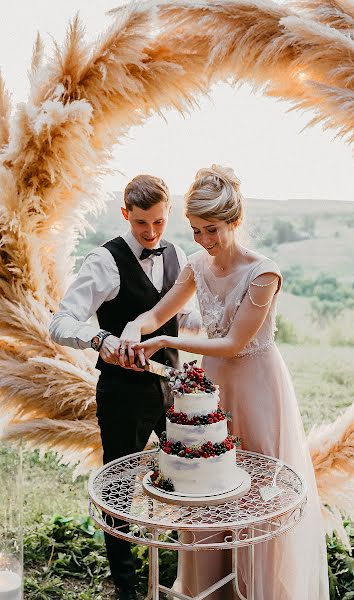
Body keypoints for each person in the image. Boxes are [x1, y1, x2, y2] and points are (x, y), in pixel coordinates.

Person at [118, 165, 330, 600]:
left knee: (258, 496)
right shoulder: (197, 264)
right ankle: (212, 589)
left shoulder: (263, 273)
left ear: (235, 221)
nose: (203, 242)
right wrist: (132, 331)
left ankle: (261, 588)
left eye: (211, 230)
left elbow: (234, 343)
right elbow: (156, 313)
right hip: (212, 387)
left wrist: (163, 340)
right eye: (195, 231)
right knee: (209, 488)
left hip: (257, 387)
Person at [49, 174, 201, 600]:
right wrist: (101, 340)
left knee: (194, 472)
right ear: (125, 215)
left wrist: (206, 325)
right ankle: (127, 585)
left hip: (173, 389)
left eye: (157, 222)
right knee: (120, 490)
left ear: (167, 214)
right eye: (140, 224)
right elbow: (60, 322)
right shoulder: (104, 261)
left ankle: (185, 565)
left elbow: (176, 317)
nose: (151, 233)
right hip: (123, 395)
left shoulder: (179, 255)